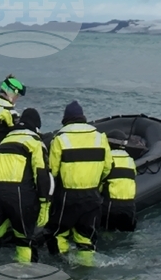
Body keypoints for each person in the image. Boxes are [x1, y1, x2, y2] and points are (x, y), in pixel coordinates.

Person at [0, 108, 52, 263]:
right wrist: (44, 204)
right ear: (36, 126)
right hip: (18, 194)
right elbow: (42, 174)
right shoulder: (35, 142)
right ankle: (24, 278)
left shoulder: (4, 141)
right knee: (24, 239)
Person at [45, 100, 113, 265]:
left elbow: (52, 170)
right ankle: (86, 269)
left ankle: (62, 264)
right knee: (86, 237)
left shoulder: (60, 138)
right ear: (83, 118)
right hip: (92, 196)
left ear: (66, 119)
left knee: (58, 232)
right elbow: (107, 168)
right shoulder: (100, 137)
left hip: (68, 195)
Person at [101, 130, 138, 232]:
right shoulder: (130, 160)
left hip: (111, 206)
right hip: (130, 206)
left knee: (107, 233)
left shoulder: (106, 159)